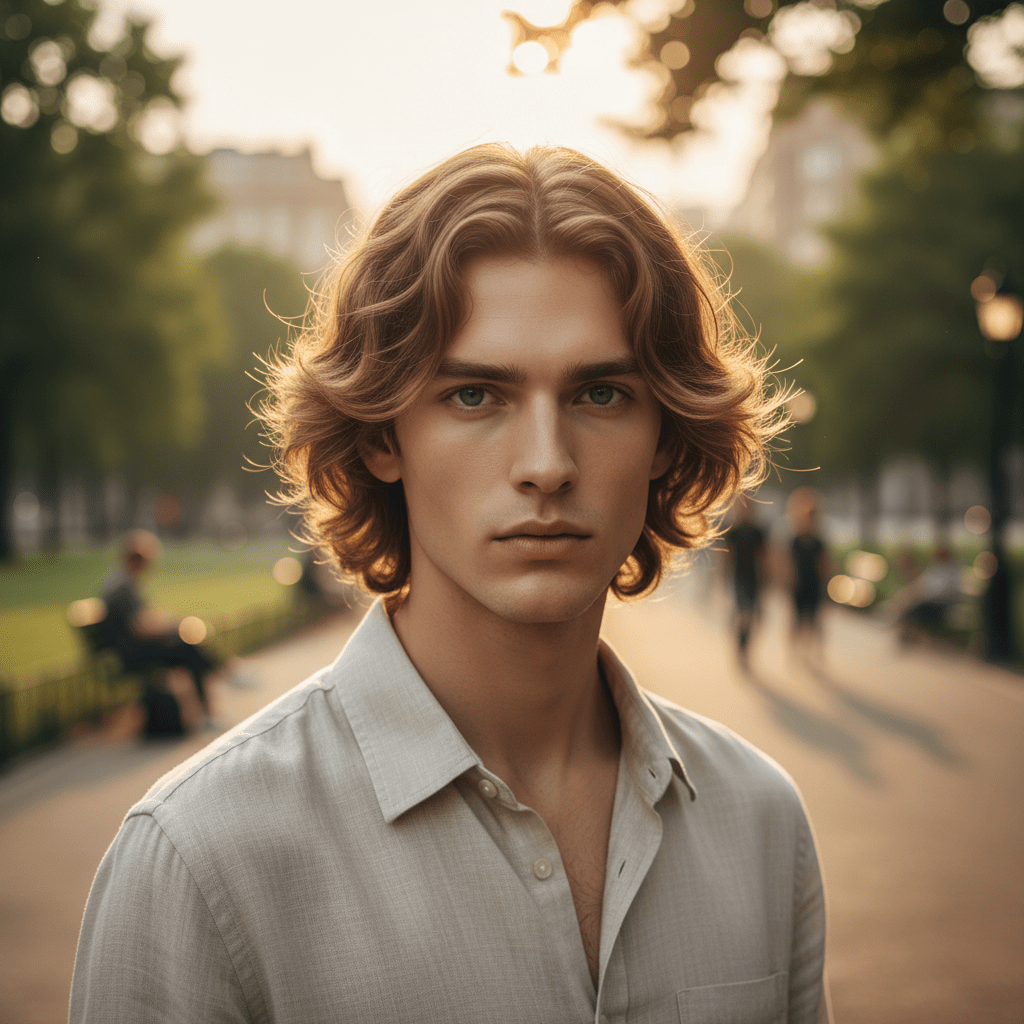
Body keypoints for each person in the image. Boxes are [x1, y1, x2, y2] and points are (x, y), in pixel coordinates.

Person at [70, 145, 830, 1023]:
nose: (546, 465)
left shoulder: (761, 822)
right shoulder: (203, 862)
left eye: (601, 395)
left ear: (665, 434)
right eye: (476, 396)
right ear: (383, 436)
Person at [724, 494, 768, 664]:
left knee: (753, 616)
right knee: (743, 613)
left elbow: (763, 557)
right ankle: (740, 646)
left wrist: (767, 578)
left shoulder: (758, 532)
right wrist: (723, 577)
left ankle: (745, 645)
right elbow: (727, 557)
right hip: (738, 577)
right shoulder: (732, 531)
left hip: (754, 578)